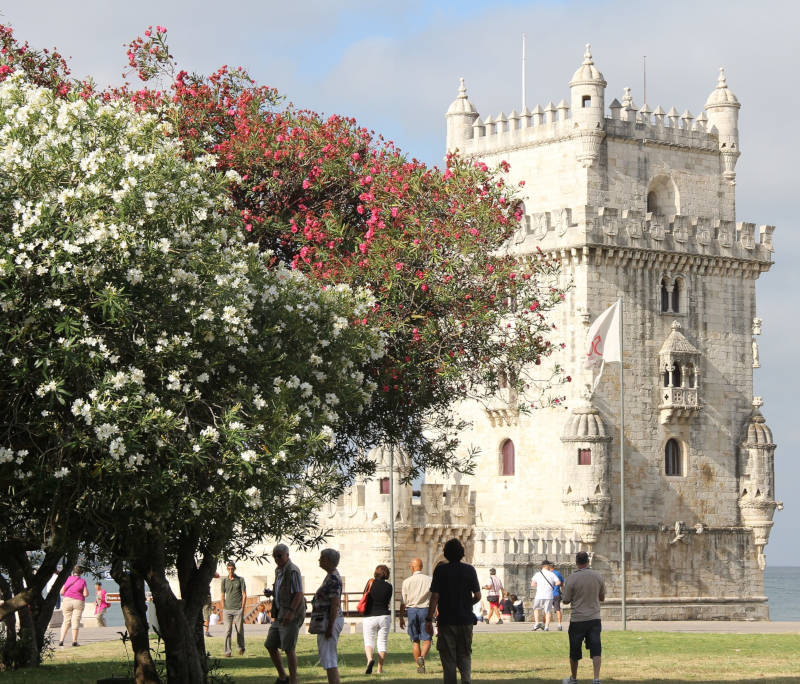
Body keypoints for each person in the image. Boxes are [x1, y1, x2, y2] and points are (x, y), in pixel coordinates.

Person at [426, 538, 480, 684]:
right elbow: (478, 596)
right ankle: (466, 680)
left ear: (446, 554)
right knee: (464, 653)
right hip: (465, 619)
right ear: (462, 553)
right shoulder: (470, 570)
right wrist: (467, 604)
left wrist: (429, 619)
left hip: (446, 619)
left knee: (448, 656)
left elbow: (435, 596)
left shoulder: (440, 570)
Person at [561, 551, 606, 684]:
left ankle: (574, 678)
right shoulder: (598, 576)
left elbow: (566, 600)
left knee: (574, 649)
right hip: (594, 618)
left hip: (578, 619)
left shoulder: (571, 579)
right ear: (588, 561)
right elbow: (602, 597)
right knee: (596, 648)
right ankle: (596, 678)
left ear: (576, 562)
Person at [265, 544, 306, 684]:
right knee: (270, 644)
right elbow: (282, 589)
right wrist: (271, 593)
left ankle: (293, 680)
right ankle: (283, 676)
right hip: (280, 612)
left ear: (287, 555)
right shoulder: (278, 570)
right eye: (275, 556)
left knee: (289, 648)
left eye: (280, 556)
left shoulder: (292, 570)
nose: (277, 559)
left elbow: (299, 593)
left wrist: (291, 612)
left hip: (291, 613)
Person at [313, 548, 345, 684]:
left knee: (329, 657)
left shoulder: (333, 579)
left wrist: (330, 627)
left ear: (328, 561)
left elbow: (334, 603)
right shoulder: (330, 576)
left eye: (322, 558)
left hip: (329, 621)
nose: (319, 560)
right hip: (326, 620)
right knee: (327, 657)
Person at [399, 557, 432, 673]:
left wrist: (401, 617)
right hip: (425, 610)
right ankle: (422, 657)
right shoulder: (429, 580)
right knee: (427, 639)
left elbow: (403, 601)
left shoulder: (406, 582)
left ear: (412, 567)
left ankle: (420, 666)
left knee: (415, 639)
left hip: (412, 611)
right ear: (421, 567)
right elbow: (434, 597)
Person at [362, 564, 392, 674]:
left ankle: (370, 660)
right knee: (382, 642)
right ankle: (380, 669)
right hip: (384, 615)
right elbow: (387, 600)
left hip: (369, 615)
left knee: (369, 640)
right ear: (386, 574)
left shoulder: (370, 583)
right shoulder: (389, 586)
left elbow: (364, 596)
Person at [221, 560, 247, 657]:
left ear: (234, 569)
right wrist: (223, 607)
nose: (231, 570)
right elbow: (222, 595)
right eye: (229, 569)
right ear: (227, 569)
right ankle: (227, 651)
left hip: (238, 609)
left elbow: (244, 594)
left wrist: (242, 607)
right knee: (227, 630)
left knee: (239, 630)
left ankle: (241, 647)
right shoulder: (224, 581)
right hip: (227, 610)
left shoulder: (240, 580)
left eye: (232, 568)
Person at [59, 565, 89, 647]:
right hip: (78, 602)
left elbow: (61, 592)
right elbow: (86, 594)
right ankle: (74, 641)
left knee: (66, 621)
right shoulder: (82, 581)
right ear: (81, 573)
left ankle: (61, 640)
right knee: (75, 621)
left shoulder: (68, 579)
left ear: (73, 572)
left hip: (67, 601)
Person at [531, 559, 561, 631]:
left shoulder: (537, 574)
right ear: (547, 566)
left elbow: (533, 584)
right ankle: (546, 627)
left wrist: (540, 585)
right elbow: (558, 582)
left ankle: (537, 623)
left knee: (536, 609)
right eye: (549, 565)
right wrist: (552, 585)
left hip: (539, 595)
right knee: (548, 611)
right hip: (549, 595)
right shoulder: (551, 574)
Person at [549, 561, 566, 631]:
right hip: (556, 594)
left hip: (549, 594)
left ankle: (546, 625)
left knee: (547, 610)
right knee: (558, 609)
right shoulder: (558, 573)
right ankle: (559, 624)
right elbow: (562, 584)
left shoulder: (547, 574)